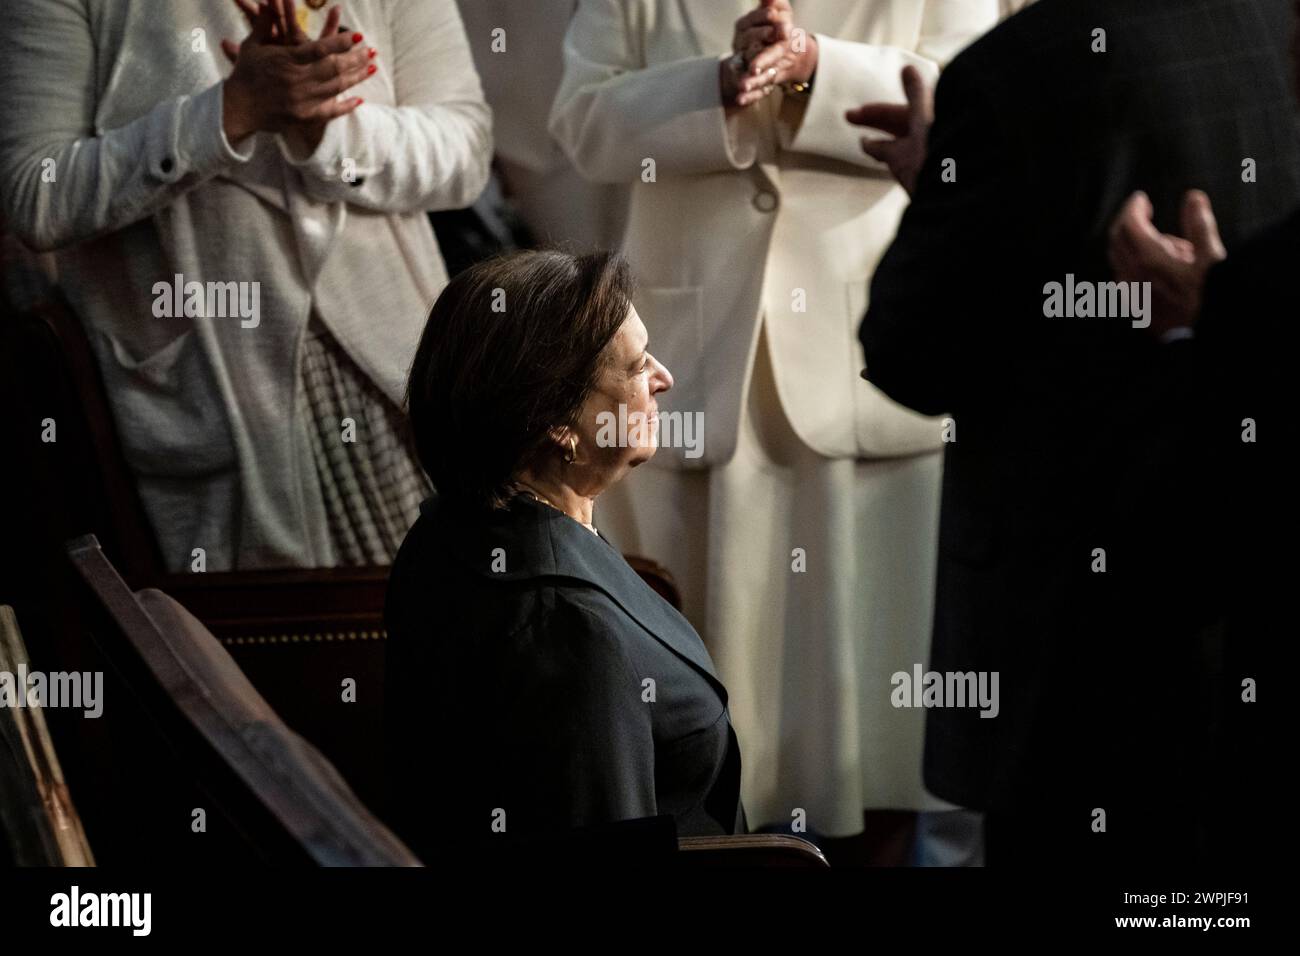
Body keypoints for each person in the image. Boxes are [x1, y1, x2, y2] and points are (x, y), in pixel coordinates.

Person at [857, 0, 1300, 864]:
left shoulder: (1017, 69)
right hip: (1254, 593)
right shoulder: (1275, 22)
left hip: (1074, 636)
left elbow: (911, 353)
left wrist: (944, 190)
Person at [549, 0, 998, 840]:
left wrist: (815, 66)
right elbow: (581, 121)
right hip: (688, 361)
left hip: (864, 353)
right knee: (708, 700)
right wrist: (715, 83)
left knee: (878, 698)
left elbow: (980, 100)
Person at [0, 0, 491, 571]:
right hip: (211, 402)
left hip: (401, 383)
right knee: (257, 653)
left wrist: (331, 132)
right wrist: (229, 112)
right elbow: (38, 192)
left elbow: (466, 151)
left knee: (460, 629)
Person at [383, 250, 746, 858]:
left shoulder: (458, 523)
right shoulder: (565, 629)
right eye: (635, 367)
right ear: (558, 421)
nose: (663, 377)